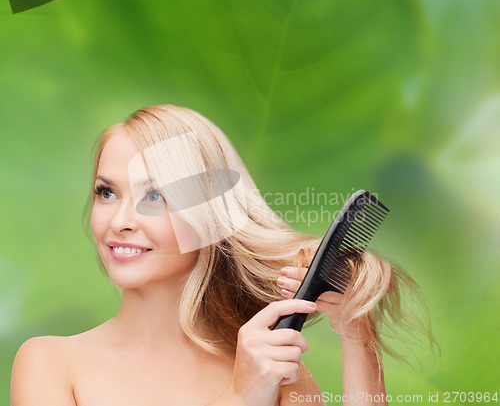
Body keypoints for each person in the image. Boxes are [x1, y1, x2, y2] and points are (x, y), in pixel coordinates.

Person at [11, 105, 435, 406]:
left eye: (155, 195)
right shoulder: (50, 363)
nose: (120, 220)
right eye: (107, 192)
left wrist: (356, 333)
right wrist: (240, 397)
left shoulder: (270, 367)